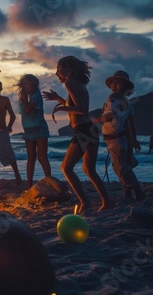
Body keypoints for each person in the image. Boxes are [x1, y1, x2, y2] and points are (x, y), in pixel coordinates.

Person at [42, 56, 111, 213]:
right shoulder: (79, 84)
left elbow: (81, 109)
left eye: (59, 70)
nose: (57, 73)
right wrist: (59, 100)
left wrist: (61, 109)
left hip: (82, 131)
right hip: (89, 130)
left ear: (69, 71)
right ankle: (106, 202)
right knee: (89, 170)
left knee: (66, 168)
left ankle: (84, 203)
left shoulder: (69, 83)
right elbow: (75, 103)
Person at [97, 71, 145, 202]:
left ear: (121, 84)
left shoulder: (113, 97)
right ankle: (128, 194)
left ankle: (139, 191)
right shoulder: (126, 102)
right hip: (121, 138)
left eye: (116, 82)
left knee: (121, 167)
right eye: (112, 82)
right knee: (123, 165)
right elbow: (130, 123)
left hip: (115, 138)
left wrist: (94, 119)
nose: (113, 84)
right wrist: (133, 140)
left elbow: (108, 116)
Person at [15, 74, 51, 188]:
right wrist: (24, 98)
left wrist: (25, 99)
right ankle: (29, 185)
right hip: (29, 130)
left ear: (33, 83)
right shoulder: (27, 96)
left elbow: (27, 111)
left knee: (42, 157)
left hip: (39, 129)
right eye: (23, 83)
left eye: (26, 83)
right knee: (31, 158)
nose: (24, 85)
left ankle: (50, 181)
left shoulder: (36, 96)